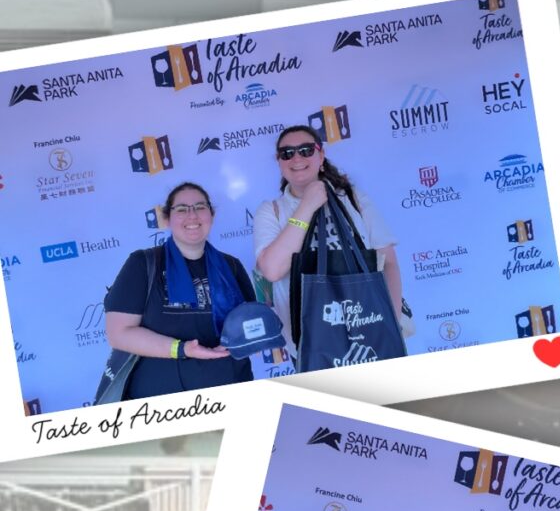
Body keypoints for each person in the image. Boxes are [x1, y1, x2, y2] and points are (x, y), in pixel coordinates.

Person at [252, 124, 403, 364]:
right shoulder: (271, 211)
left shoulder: (354, 199)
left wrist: (389, 323)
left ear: (320, 154)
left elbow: (390, 263)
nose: (297, 157)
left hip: (370, 334)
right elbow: (272, 270)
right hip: (311, 345)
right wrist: (307, 206)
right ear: (279, 162)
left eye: (306, 150)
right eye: (287, 153)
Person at [102, 182, 255, 399]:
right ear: (167, 219)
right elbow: (119, 334)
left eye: (200, 207)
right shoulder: (143, 264)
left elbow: (247, 327)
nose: (192, 216)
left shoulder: (232, 266)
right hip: (162, 399)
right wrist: (182, 349)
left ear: (211, 215)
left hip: (231, 389)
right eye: (182, 209)